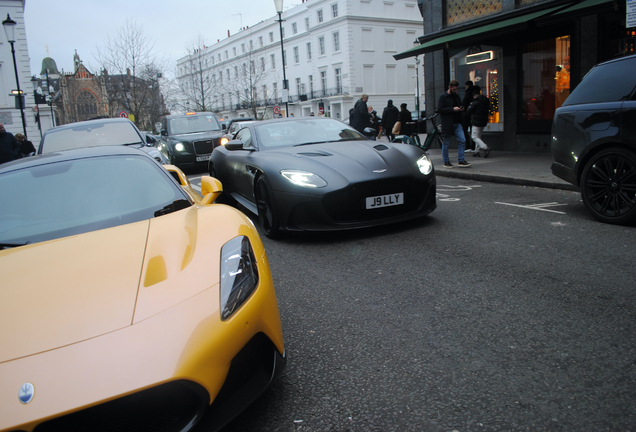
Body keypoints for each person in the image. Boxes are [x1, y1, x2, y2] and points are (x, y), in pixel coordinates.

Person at [437, 80, 471, 168]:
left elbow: (459, 105)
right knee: (446, 143)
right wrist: (452, 109)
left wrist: (461, 108)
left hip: (457, 122)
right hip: (448, 123)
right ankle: (446, 161)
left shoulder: (456, 96)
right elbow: (440, 109)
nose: (455, 91)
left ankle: (461, 160)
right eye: (454, 89)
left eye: (456, 89)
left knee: (462, 140)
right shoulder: (443, 97)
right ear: (449, 87)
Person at [466, 85, 491, 158]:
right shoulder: (485, 100)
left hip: (476, 121)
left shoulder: (476, 102)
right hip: (483, 121)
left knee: (474, 137)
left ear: (474, 96)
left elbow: (469, 110)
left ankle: (485, 147)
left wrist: (470, 105)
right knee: (478, 136)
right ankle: (477, 151)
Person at [461, 80, 475, 152]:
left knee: (465, 130)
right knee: (473, 131)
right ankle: (473, 146)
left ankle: (468, 146)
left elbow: (464, 102)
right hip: (473, 115)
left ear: (467, 85)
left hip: (466, 114)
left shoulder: (468, 92)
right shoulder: (474, 92)